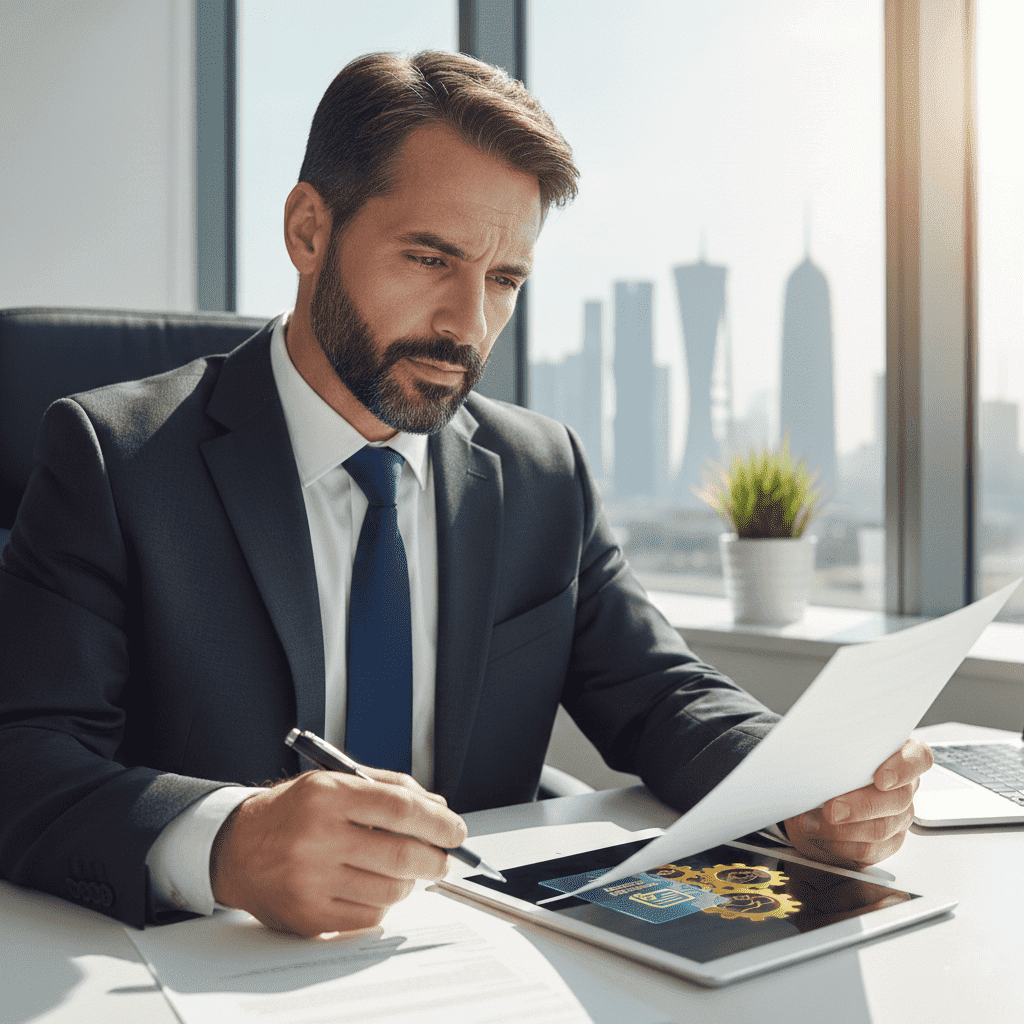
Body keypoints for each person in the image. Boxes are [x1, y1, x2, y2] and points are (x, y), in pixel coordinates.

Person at [0, 51, 932, 937]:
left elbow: (658, 691)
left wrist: (800, 779)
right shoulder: (116, 458)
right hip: (207, 964)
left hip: (482, 956)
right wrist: (227, 844)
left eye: (505, 279)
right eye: (430, 259)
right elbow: (26, 761)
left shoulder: (540, 469)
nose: (467, 325)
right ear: (308, 230)